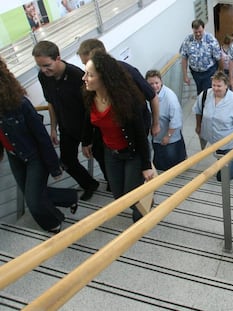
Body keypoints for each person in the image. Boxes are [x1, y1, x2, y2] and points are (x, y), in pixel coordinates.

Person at [0, 58, 78, 234]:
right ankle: (69, 197)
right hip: (15, 156)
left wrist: (54, 167)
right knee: (33, 194)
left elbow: (42, 137)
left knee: (33, 201)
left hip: (34, 157)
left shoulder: (19, 104)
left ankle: (54, 225)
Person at [82, 49, 154, 223]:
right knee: (118, 195)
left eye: (90, 75)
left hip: (132, 152)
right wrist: (86, 142)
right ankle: (142, 199)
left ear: (104, 78)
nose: (84, 78)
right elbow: (88, 121)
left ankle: (145, 208)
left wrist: (146, 165)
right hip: (110, 151)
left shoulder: (128, 100)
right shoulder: (88, 95)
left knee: (132, 196)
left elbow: (141, 136)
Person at [32, 40, 99, 201]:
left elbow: (90, 107)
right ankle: (89, 184)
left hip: (87, 126)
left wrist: (86, 139)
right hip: (66, 127)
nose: (43, 70)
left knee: (101, 157)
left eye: (47, 65)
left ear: (58, 58)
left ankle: (116, 187)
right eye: (40, 66)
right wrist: (53, 128)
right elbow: (51, 103)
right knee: (67, 161)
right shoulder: (43, 76)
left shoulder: (77, 76)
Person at [77, 38, 160, 136]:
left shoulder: (127, 72)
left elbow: (152, 96)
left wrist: (155, 124)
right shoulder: (92, 84)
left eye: (88, 63)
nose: (86, 71)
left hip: (135, 133)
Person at [193, 71, 233, 181]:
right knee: (218, 156)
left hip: (228, 142)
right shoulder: (205, 95)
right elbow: (198, 110)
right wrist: (198, 126)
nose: (215, 88)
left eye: (219, 86)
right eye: (214, 85)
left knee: (224, 177)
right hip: (212, 137)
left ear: (226, 86)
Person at [145, 69, 187, 171]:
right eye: (151, 84)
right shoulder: (146, 94)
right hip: (156, 135)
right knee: (159, 159)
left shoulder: (170, 97)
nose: (154, 86)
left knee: (171, 161)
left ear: (161, 82)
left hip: (169, 135)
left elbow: (176, 120)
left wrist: (167, 136)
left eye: (156, 83)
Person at [180, 19, 222, 95]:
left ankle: (205, 105)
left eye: (200, 32)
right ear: (192, 30)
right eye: (196, 32)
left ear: (203, 28)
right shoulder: (188, 40)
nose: (198, 34)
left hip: (209, 71)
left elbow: (218, 57)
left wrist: (220, 72)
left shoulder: (211, 39)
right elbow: (184, 58)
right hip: (195, 72)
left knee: (207, 93)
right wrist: (185, 75)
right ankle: (202, 105)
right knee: (200, 93)